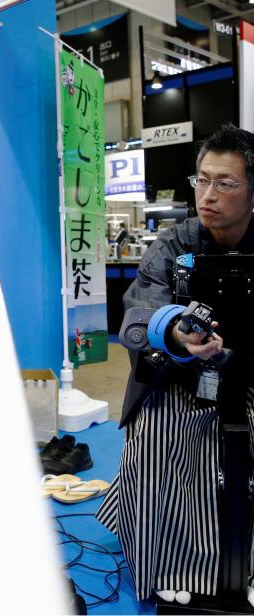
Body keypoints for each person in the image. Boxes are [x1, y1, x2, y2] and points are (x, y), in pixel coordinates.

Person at [97, 123, 254, 606]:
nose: (208, 194)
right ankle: (170, 560)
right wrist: (175, 330)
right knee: (157, 433)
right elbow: (138, 311)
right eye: (201, 180)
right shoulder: (174, 243)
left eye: (225, 183)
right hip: (182, 377)